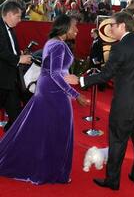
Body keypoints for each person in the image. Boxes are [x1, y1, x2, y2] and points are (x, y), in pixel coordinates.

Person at [65, 11, 134, 190]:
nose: (110, 29)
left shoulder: (119, 47)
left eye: (112, 25)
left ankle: (113, 181)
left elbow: (106, 75)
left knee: (117, 143)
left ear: (122, 26)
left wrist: (81, 80)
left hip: (124, 107)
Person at [0, 14, 87, 185]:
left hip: (49, 90)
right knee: (57, 132)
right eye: (74, 27)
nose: (77, 30)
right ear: (64, 27)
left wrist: (68, 76)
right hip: (53, 93)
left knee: (43, 131)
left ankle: (47, 167)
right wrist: (76, 95)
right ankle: (51, 170)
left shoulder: (56, 43)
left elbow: (56, 70)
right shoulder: (58, 45)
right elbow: (54, 73)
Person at [0, 1, 32, 132]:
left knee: (16, 116)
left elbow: (10, 50)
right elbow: (2, 52)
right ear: (8, 14)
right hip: (1, 80)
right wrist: (19, 59)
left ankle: (9, 141)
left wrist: (20, 54)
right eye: (18, 16)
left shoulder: (10, 29)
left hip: (10, 81)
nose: (20, 20)